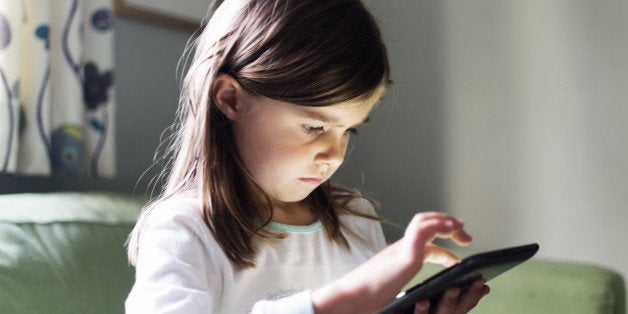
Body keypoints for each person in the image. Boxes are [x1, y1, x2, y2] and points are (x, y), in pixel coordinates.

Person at [125, 0, 490, 313]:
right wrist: (348, 297)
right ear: (231, 99)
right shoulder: (183, 230)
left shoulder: (355, 221)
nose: (334, 155)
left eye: (349, 130)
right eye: (314, 127)